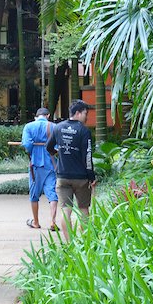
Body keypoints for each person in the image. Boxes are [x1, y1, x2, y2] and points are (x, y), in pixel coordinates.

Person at [46, 100, 96, 242]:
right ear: (78, 113)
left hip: (63, 177)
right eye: (85, 113)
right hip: (81, 178)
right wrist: (91, 176)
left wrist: (58, 153)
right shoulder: (84, 131)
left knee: (65, 210)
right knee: (84, 209)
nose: (86, 117)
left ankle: (69, 244)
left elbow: (48, 147)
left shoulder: (58, 128)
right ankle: (84, 242)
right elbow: (87, 156)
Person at [22, 107, 58, 230]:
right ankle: (53, 221)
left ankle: (36, 222)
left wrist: (33, 151)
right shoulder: (53, 127)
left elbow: (27, 144)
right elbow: (57, 147)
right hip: (50, 164)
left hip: (35, 165)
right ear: (48, 115)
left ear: (36, 117)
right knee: (52, 193)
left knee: (34, 194)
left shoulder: (28, 127)